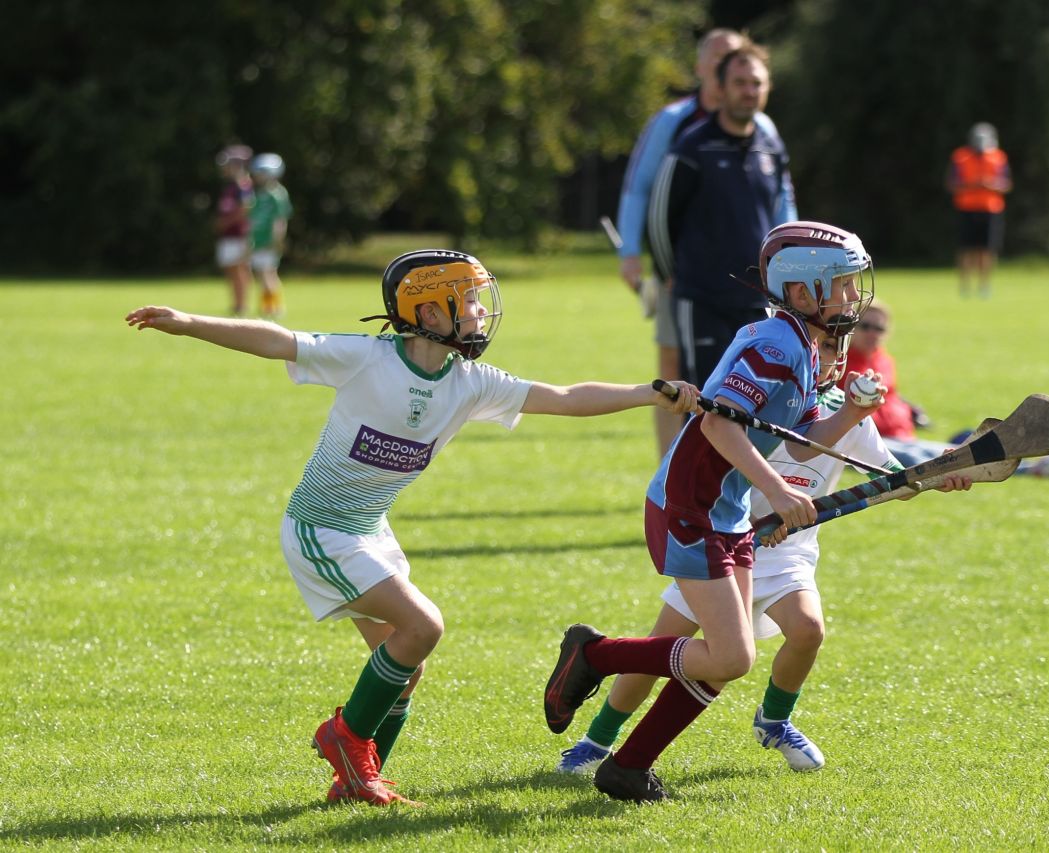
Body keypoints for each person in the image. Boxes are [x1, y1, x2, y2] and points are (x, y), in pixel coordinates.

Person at [124, 249, 699, 807]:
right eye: (469, 301)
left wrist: (646, 393)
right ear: (427, 312)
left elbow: (566, 397)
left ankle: (358, 781)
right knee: (423, 626)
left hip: (369, 529)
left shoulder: (469, 380)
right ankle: (344, 740)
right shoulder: (367, 357)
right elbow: (277, 339)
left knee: (407, 667)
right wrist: (188, 323)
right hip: (321, 530)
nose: (480, 312)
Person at [543, 222, 878, 803]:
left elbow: (797, 443)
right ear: (801, 292)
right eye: (842, 285)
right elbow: (718, 422)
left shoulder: (801, 348)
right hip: (688, 507)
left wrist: (848, 414)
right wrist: (776, 491)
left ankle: (628, 767)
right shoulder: (774, 345)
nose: (854, 297)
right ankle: (593, 653)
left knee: (724, 662)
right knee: (731, 655)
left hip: (724, 511)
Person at [555, 333, 930, 777]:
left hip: (788, 556)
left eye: (836, 349)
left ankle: (774, 721)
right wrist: (759, 523)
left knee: (807, 630)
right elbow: (745, 460)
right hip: (727, 540)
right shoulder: (779, 404)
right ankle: (596, 740)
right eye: (822, 348)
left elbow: (896, 478)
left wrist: (943, 472)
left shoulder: (852, 419)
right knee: (666, 652)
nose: (829, 358)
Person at [615, 28, 755, 457]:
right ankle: (667, 471)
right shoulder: (676, 120)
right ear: (700, 68)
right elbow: (640, 186)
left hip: (740, 280)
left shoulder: (758, 126)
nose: (723, 67)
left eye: (731, 58)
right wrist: (632, 253)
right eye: (715, 60)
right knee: (674, 372)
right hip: (680, 272)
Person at [652, 42, 798, 390]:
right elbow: (659, 216)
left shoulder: (771, 147)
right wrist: (668, 272)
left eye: (756, 83)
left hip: (758, 300)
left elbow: (780, 217)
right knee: (704, 398)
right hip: (702, 298)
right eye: (740, 82)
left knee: (758, 397)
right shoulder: (692, 146)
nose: (749, 91)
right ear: (721, 88)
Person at [845, 303, 1049, 476]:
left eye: (879, 328)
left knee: (957, 451)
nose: (873, 333)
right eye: (865, 326)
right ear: (851, 328)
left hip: (903, 434)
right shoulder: (840, 362)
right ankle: (1032, 471)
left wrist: (910, 410)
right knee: (922, 461)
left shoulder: (884, 360)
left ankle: (1030, 465)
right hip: (871, 438)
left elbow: (892, 395)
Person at [946, 122, 1011, 298]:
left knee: (987, 250)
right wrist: (973, 185)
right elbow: (952, 184)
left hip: (991, 209)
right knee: (966, 249)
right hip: (966, 208)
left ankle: (984, 286)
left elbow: (1006, 184)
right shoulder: (960, 157)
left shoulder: (998, 157)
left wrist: (990, 184)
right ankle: (965, 286)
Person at [248, 153, 292, 320]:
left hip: (269, 242)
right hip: (257, 242)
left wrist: (276, 240)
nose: (257, 176)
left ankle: (275, 307)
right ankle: (267, 306)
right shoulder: (259, 195)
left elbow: (280, 221)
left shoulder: (278, 194)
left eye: (261, 172)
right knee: (261, 274)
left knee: (268, 273)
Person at [214, 145, 255, 317]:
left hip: (239, 235)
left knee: (239, 270)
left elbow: (246, 208)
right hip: (229, 236)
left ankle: (241, 305)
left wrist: (226, 222)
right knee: (231, 270)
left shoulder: (242, 185)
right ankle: (236, 304)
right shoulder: (231, 186)